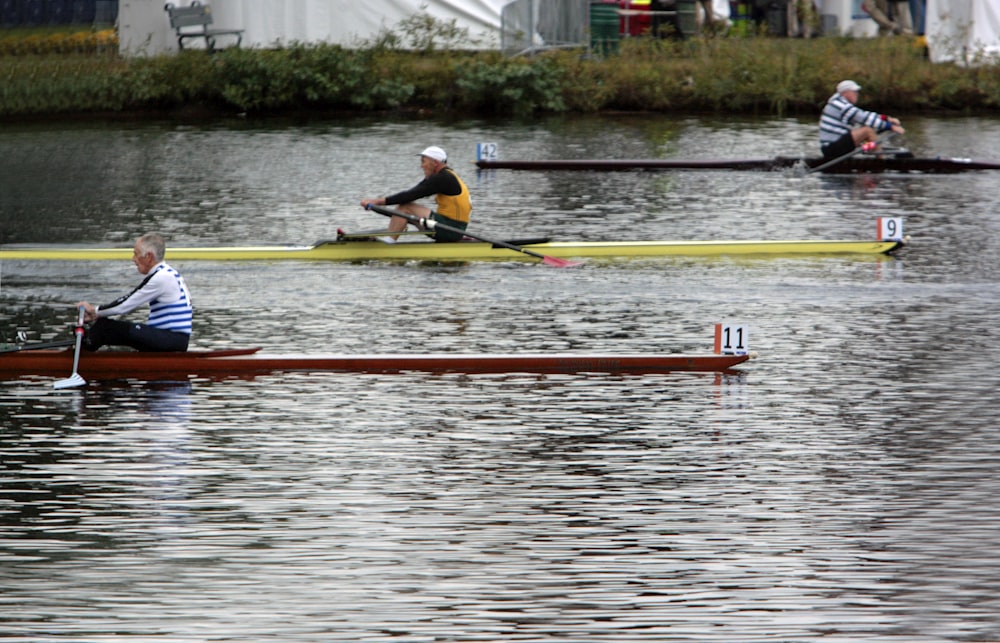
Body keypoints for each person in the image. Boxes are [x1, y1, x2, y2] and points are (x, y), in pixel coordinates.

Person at [76, 232, 193, 352]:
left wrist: (94, 312)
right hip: (171, 339)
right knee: (109, 329)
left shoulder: (162, 277)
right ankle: (85, 350)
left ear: (149, 257)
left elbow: (125, 305)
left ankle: (79, 358)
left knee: (104, 327)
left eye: (136, 254)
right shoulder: (167, 273)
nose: (133, 259)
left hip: (171, 339)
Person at [359, 145, 471, 242]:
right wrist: (377, 206)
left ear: (435, 162)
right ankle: (389, 239)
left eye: (423, 161)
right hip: (449, 227)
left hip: (451, 229)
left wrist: (376, 201)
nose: (421, 166)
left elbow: (410, 195)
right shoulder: (445, 175)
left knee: (405, 207)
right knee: (403, 207)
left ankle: (388, 244)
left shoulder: (443, 178)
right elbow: (412, 193)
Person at [819, 80, 906, 160]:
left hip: (834, 146)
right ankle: (881, 161)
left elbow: (865, 115)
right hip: (832, 149)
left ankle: (875, 155)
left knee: (867, 132)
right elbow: (864, 118)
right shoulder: (841, 105)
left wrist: (887, 118)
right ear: (845, 93)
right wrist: (891, 127)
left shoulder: (839, 103)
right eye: (854, 92)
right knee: (867, 131)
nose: (857, 94)